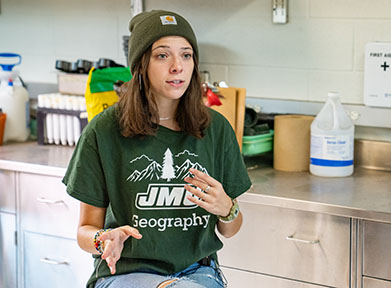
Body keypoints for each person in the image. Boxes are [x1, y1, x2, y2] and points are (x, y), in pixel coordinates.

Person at [63, 10, 252, 288]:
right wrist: (101, 239)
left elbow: (230, 229)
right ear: (141, 64)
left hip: (198, 272)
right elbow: (85, 231)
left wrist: (227, 208)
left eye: (186, 55)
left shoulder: (216, 129)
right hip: (126, 273)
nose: (177, 66)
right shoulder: (104, 131)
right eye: (162, 55)